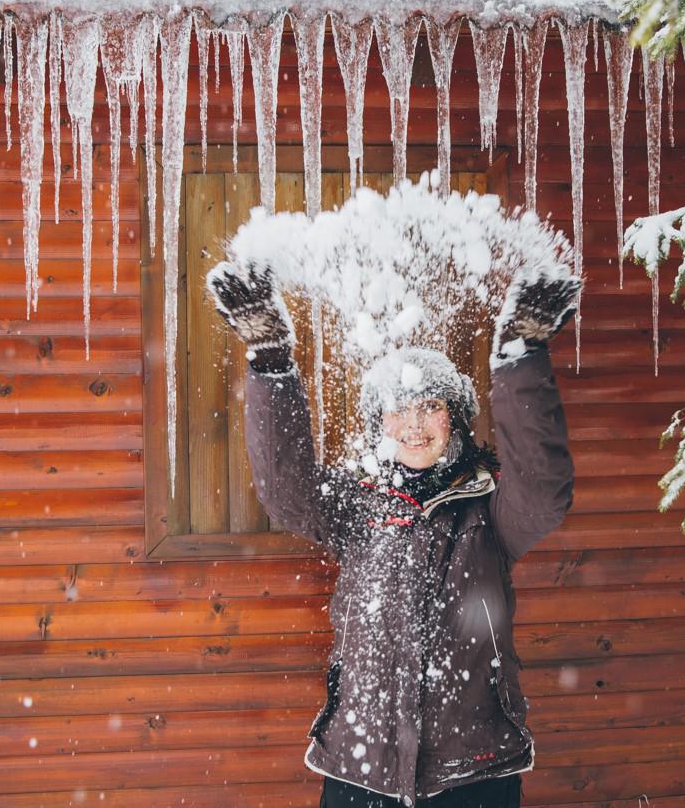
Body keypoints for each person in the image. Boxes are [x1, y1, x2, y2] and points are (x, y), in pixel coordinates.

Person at [207, 262, 580, 808]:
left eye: (430, 405)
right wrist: (269, 358)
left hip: (474, 768)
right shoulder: (357, 504)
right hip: (362, 765)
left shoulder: (491, 508)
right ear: (378, 423)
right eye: (398, 407)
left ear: (454, 418)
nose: (414, 421)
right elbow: (286, 490)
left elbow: (545, 491)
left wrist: (521, 355)